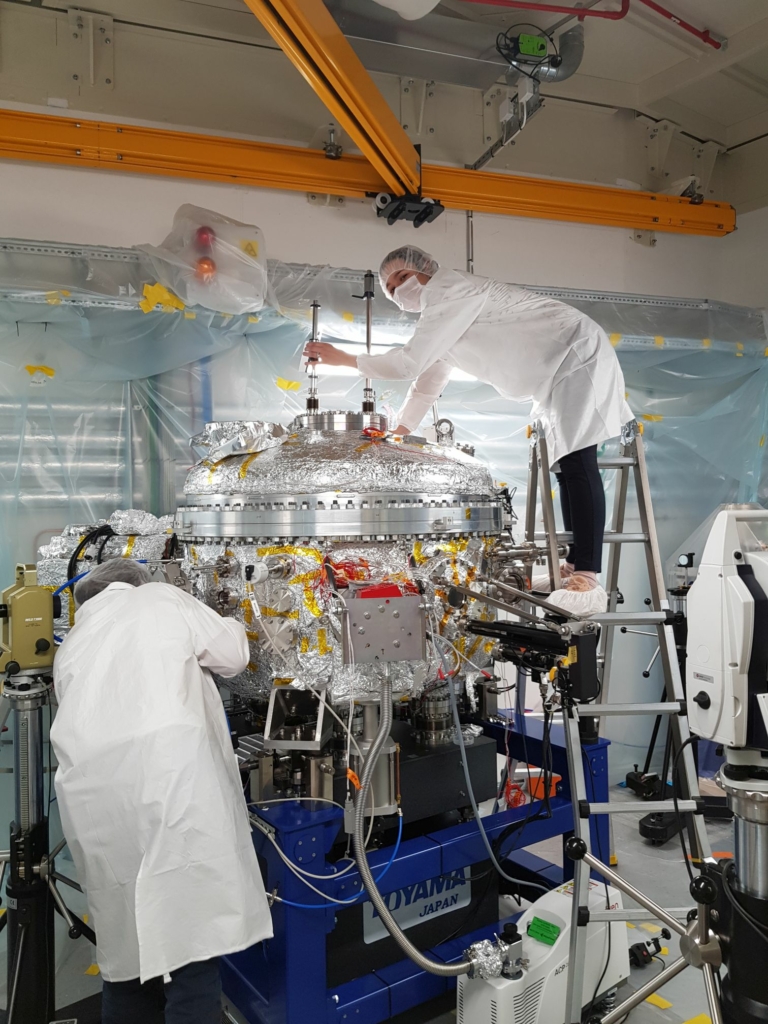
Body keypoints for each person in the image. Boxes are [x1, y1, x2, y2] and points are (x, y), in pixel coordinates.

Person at [304, 245, 633, 615]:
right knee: (563, 467)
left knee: (577, 460)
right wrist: (399, 431)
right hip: (551, 373)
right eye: (391, 289)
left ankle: (587, 576)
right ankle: (572, 566)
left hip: (576, 353)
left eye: (401, 277)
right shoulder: (444, 318)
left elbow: (410, 362)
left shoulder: (452, 292)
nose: (399, 290)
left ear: (424, 268)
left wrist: (345, 358)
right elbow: (427, 381)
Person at [50, 559, 272, 1024]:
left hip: (94, 804)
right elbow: (233, 657)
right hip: (169, 786)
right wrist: (227, 616)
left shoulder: (71, 644)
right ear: (139, 581)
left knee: (128, 958)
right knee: (190, 950)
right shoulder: (161, 597)